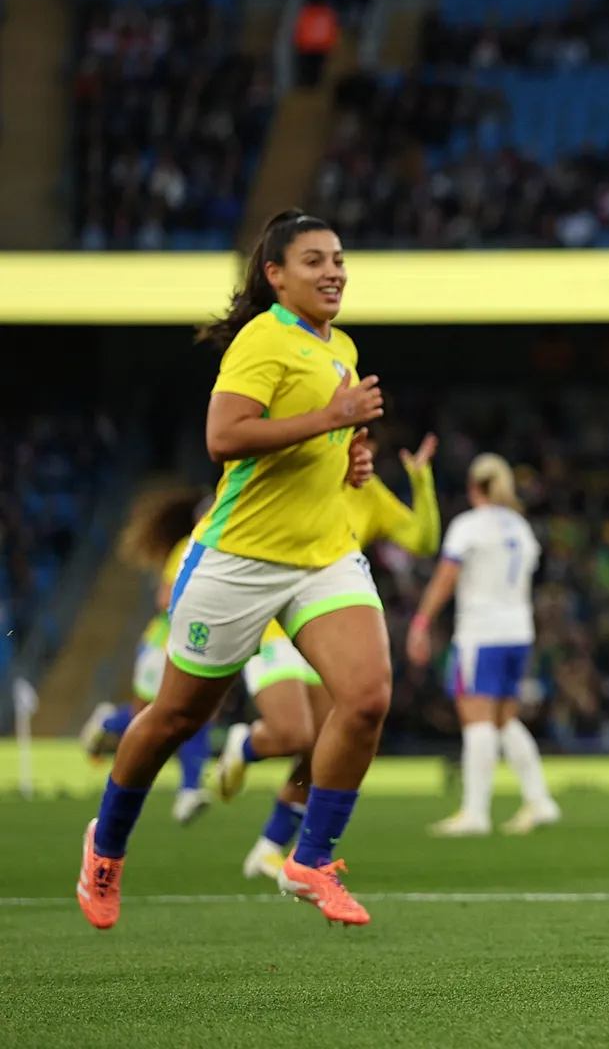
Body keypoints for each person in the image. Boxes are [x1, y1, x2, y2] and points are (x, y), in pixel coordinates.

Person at [76, 209, 391, 931]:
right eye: (314, 260)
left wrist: (351, 457)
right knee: (177, 718)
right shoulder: (262, 339)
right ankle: (108, 844)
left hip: (324, 555)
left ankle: (309, 859)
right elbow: (225, 437)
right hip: (240, 559)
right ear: (276, 275)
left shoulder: (339, 343)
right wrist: (330, 417)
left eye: (338, 258)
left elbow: (323, 443)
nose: (334, 270)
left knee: (367, 699)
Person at [216, 432, 441, 880]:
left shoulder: (369, 493)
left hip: (325, 629)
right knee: (293, 733)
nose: (364, 452)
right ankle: (245, 743)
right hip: (275, 621)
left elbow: (422, 539)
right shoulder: (304, 476)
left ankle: (268, 846)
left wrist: (421, 480)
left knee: (324, 746)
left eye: (370, 445)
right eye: (356, 441)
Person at [405, 452, 558, 837]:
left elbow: (446, 577)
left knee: (477, 722)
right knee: (504, 719)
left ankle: (475, 813)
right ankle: (539, 801)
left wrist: (422, 622)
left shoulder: (469, 527)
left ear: (474, 487)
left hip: (481, 632)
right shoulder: (521, 528)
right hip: (518, 632)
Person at [79, 488, 217, 825]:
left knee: (193, 716)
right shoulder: (189, 549)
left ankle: (189, 790)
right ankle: (109, 723)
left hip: (197, 647)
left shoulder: (224, 553)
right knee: (154, 717)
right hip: (163, 645)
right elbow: (164, 598)